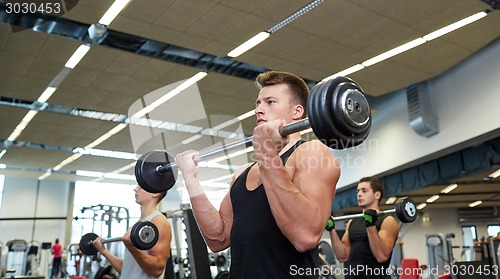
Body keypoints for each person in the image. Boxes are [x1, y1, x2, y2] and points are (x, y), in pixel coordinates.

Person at [176, 71, 340, 278]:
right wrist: (191, 180)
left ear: (297, 112)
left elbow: (305, 236)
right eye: (258, 103)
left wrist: (266, 153)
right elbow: (217, 239)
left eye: (270, 102)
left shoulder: (312, 152)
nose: (259, 109)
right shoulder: (242, 173)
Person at [92, 185, 172, 279]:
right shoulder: (135, 226)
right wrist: (104, 251)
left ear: (155, 193)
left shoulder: (159, 222)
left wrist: (132, 247)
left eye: (141, 186)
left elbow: (157, 270)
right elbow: (126, 268)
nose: (135, 189)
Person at [327, 177, 400, 279]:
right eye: (358, 191)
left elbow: (381, 256)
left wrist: (370, 225)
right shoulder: (352, 222)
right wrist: (331, 230)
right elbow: (342, 257)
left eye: (364, 191)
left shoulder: (387, 221)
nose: (359, 194)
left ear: (377, 195)